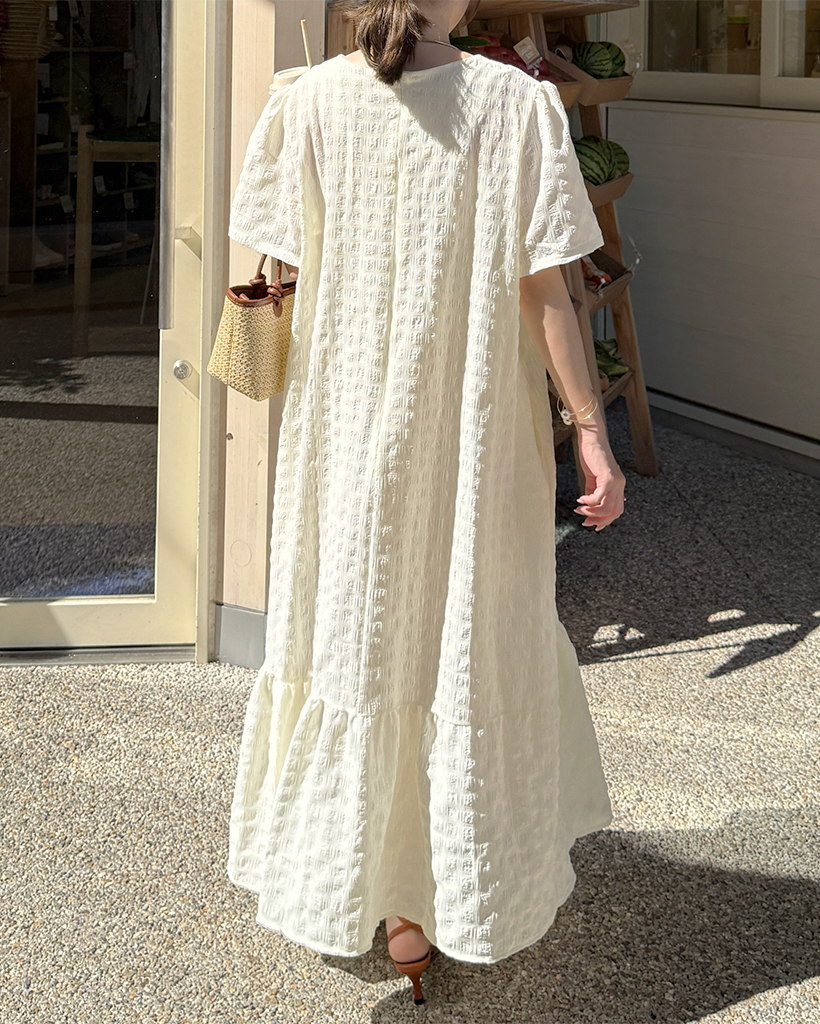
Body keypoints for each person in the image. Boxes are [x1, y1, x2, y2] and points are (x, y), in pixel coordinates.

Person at [225, 0, 625, 1006]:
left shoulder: (306, 99)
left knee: (358, 638)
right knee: (464, 636)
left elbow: (279, 262)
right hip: (468, 435)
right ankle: (436, 885)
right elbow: (547, 291)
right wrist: (589, 427)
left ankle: (360, 877)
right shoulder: (515, 106)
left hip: (342, 438)